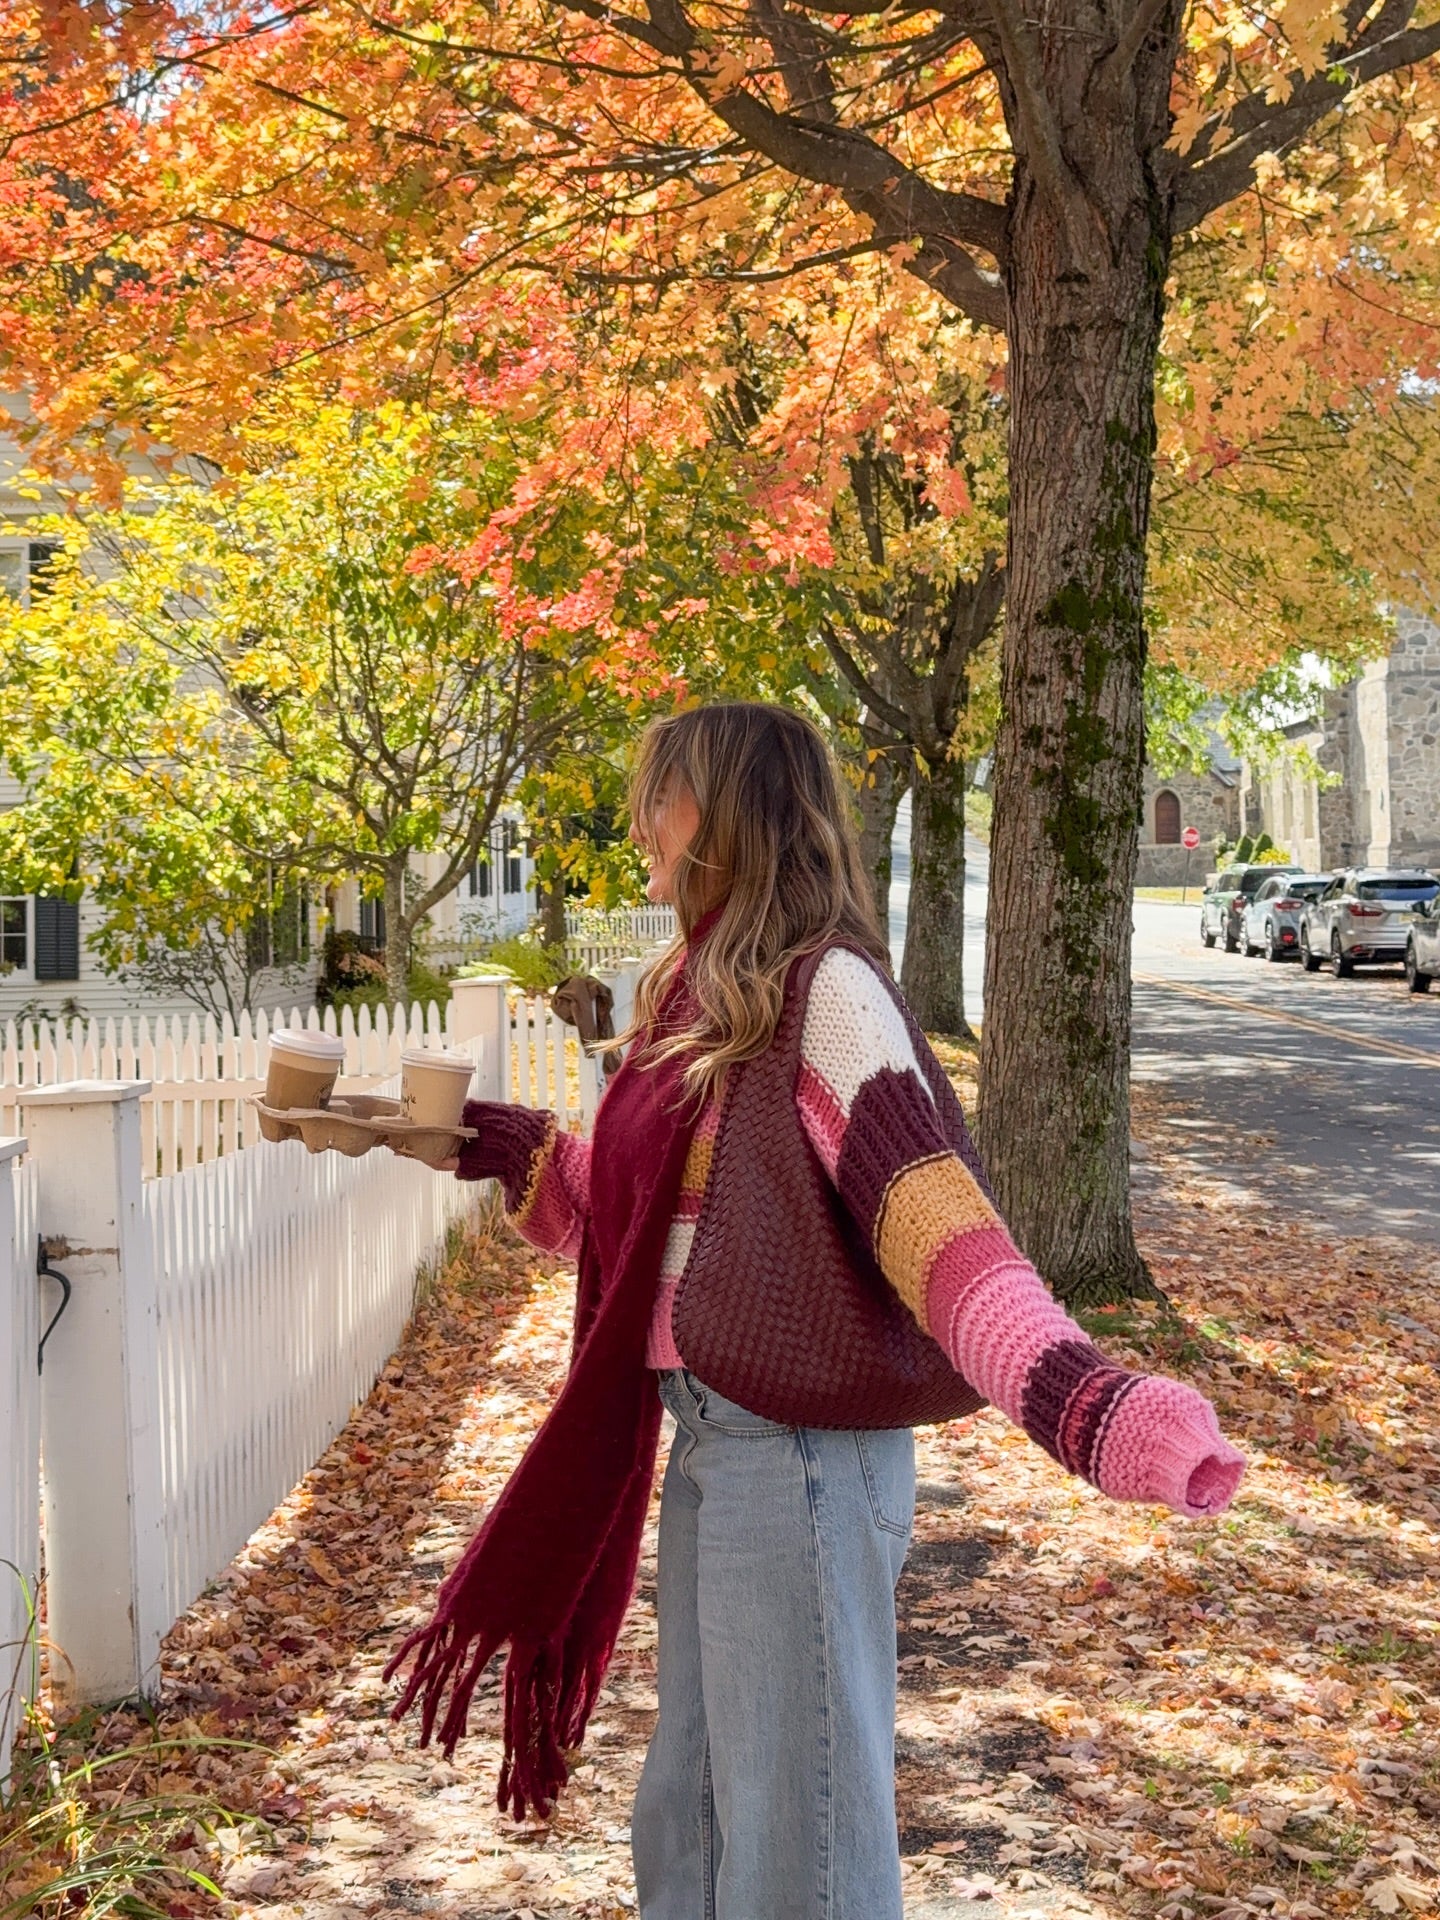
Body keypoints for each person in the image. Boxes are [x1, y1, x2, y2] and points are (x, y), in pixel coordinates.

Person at [388, 701, 1245, 1920]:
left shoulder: (828, 993)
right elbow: (646, 1236)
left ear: (724, 816)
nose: (641, 825)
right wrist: (485, 1143)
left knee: (798, 1853)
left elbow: (936, 1224)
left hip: (796, 1458)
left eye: (660, 799)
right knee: (690, 1823)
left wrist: (1089, 1403)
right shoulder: (702, 997)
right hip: (714, 1438)